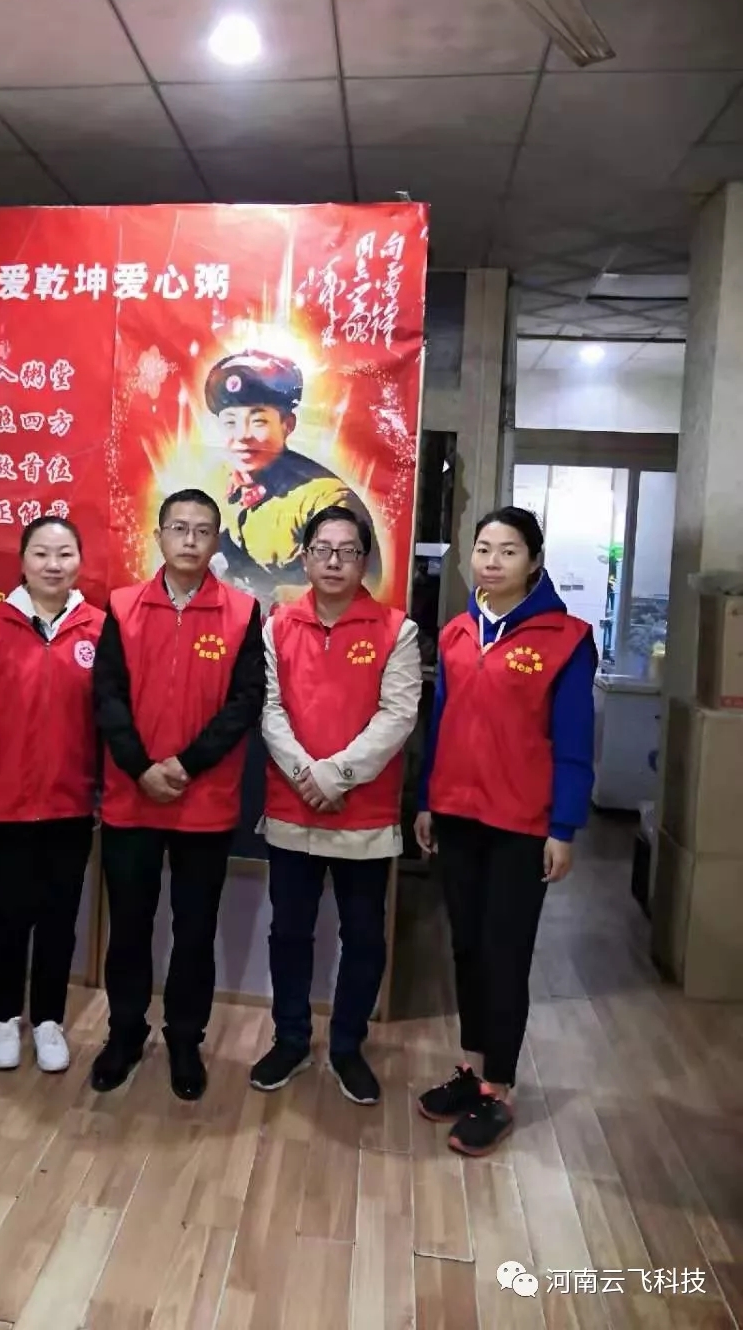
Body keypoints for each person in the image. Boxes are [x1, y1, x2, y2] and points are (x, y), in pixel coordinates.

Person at [414, 506, 597, 1156]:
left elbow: (574, 742)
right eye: (483, 549)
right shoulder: (458, 632)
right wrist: (428, 800)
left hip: (522, 825)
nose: (491, 562)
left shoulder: (567, 639)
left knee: (504, 953)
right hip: (458, 815)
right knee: (465, 947)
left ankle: (500, 1088)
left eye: (508, 550)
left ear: (534, 562)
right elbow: (441, 723)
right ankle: (472, 1069)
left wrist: (564, 826)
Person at [92, 488, 266, 1100]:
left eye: (202, 530)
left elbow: (245, 702)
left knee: (195, 931)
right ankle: (124, 1034)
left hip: (205, 801)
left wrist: (186, 765)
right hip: (131, 797)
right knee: (129, 927)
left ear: (216, 540)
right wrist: (141, 767)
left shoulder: (242, 612)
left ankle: (186, 1040)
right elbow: (107, 695)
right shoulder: (122, 606)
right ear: (159, 536)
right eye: (178, 528)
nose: (190, 540)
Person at [251, 507, 421, 1105]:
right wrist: (306, 774)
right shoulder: (277, 626)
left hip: (363, 813)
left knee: (365, 937)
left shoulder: (397, 629)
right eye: (322, 549)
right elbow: (269, 709)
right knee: (289, 932)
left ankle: (348, 1045)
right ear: (304, 558)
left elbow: (398, 715)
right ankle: (291, 1038)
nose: (333, 561)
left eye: (347, 551)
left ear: (364, 561)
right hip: (293, 806)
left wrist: (336, 775)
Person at [0, 516, 104, 1075]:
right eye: (41, 553)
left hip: (70, 805)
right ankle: (4, 1018)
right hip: (3, 803)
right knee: (9, 917)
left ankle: (49, 1021)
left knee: (60, 919)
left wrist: (102, 793)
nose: (53, 565)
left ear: (79, 562)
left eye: (64, 554)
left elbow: (109, 721)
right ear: (22, 562)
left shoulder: (98, 628)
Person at [205, 350, 386, 607]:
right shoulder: (213, 483)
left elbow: (366, 584)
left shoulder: (327, 499)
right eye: (230, 422)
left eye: (258, 421)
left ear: (287, 425)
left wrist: (285, 597)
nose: (242, 435)